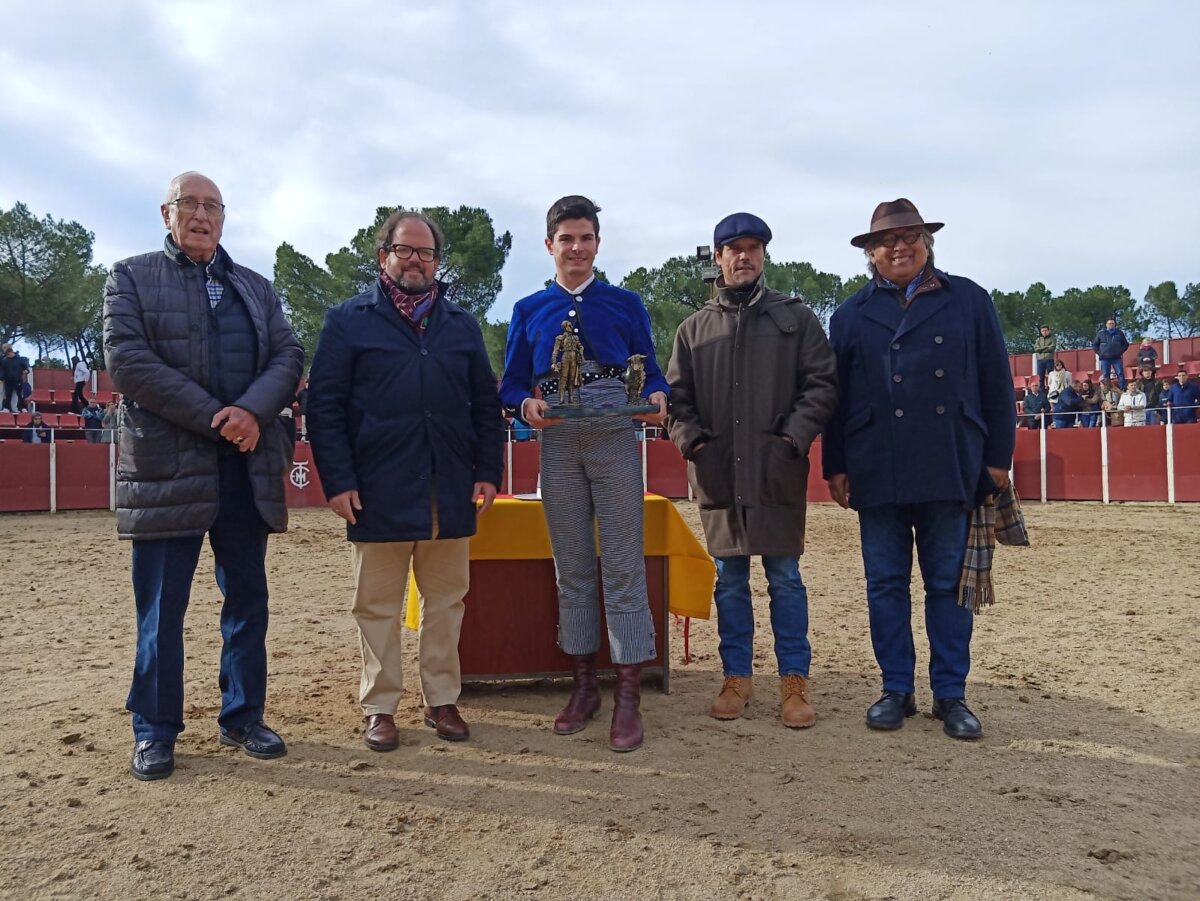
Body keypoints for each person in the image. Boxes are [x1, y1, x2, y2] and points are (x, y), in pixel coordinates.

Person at [103, 171, 304, 781]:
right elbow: (127, 361)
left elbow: (288, 355)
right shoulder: (130, 276)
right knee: (162, 608)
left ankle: (243, 716)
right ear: (166, 213)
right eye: (187, 204)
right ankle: (155, 729)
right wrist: (220, 418)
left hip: (247, 465)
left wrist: (252, 413)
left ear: (224, 217)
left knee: (247, 599)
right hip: (167, 467)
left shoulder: (255, 287)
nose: (200, 215)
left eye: (211, 206)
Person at [307, 210, 503, 751]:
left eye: (427, 253)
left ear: (438, 262)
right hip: (375, 488)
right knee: (377, 606)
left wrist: (488, 470)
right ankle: (380, 705)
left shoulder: (461, 325)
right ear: (383, 256)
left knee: (446, 602)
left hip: (448, 485)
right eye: (406, 250)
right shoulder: (347, 320)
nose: (417, 260)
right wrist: (338, 480)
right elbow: (324, 407)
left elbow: (485, 407)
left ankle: (441, 699)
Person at [823, 199, 1015, 741]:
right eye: (887, 240)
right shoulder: (850, 314)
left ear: (927, 242)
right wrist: (835, 464)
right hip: (875, 464)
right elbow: (838, 399)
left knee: (947, 586)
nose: (899, 246)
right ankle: (896, 689)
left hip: (950, 460)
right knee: (885, 584)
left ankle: (950, 694)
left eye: (910, 236)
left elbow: (997, 385)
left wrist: (998, 458)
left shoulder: (969, 300)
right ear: (871, 253)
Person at [500, 195, 668, 753]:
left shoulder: (625, 302)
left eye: (586, 238)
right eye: (566, 239)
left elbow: (651, 369)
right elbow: (512, 382)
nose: (576, 248)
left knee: (622, 563)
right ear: (549, 245)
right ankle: (584, 686)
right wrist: (525, 403)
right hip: (559, 441)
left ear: (598, 244)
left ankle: (627, 694)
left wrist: (660, 396)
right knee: (571, 565)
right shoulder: (528, 308)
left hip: (616, 435)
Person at [667, 213, 836, 729]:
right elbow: (675, 400)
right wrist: (693, 443)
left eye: (753, 247)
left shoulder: (796, 319)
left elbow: (822, 384)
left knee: (785, 579)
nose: (744, 256)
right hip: (718, 474)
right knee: (730, 581)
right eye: (733, 248)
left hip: (775, 470)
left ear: (763, 255)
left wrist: (792, 437)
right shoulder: (693, 330)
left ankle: (794, 683)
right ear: (717, 258)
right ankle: (736, 677)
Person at [1093, 319, 1129, 388]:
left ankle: (1122, 389)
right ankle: (1108, 390)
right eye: (1109, 323)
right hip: (1104, 358)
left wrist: (1120, 352)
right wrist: (1100, 353)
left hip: (1116, 358)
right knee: (1106, 375)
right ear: (1106, 325)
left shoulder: (1119, 333)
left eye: (1112, 323)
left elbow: (1125, 344)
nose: (1111, 325)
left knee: (1120, 374)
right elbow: (1095, 345)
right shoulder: (1101, 333)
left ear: (1115, 325)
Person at [1, 344, 30, 413]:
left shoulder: (20, 359)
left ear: (11, 352)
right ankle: (6, 408)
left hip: (18, 380)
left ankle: (23, 408)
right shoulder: (5, 360)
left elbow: (26, 367)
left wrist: (26, 370)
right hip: (8, 380)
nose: (8, 356)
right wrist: (2, 378)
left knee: (20, 395)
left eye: (8, 355)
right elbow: (3, 370)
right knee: (8, 394)